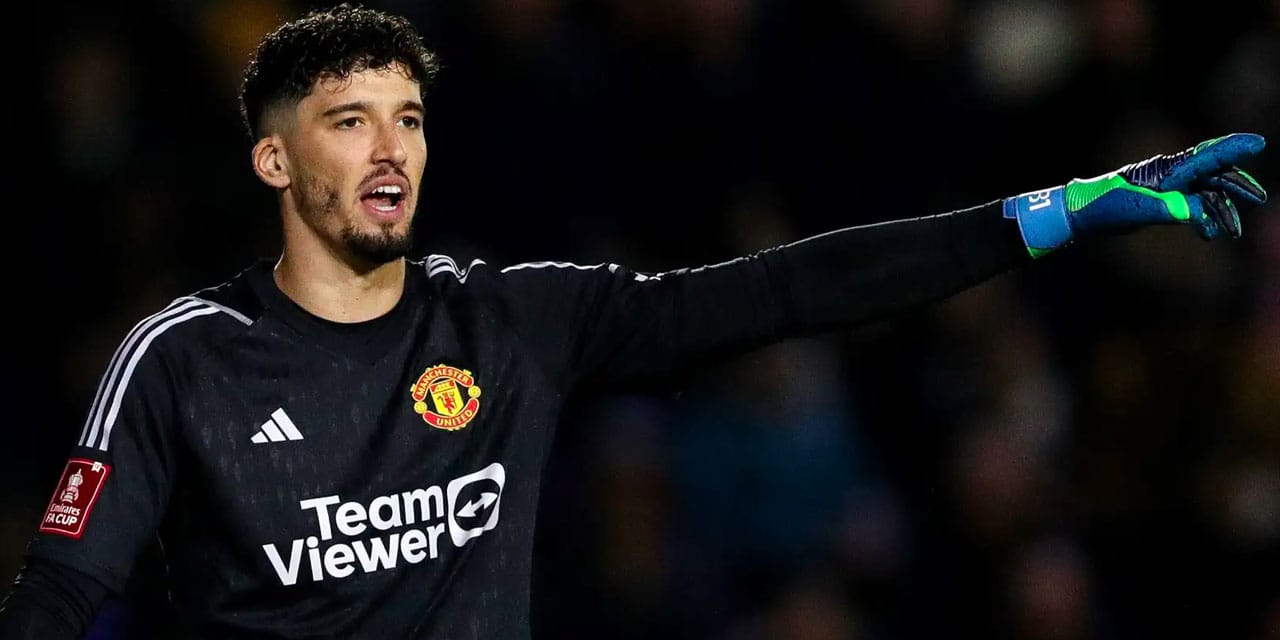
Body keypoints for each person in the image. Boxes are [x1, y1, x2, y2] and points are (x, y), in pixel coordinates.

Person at [0, 3, 1268, 639]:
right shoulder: (181, 360)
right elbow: (61, 591)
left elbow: (786, 290)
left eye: (409, 120)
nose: (390, 151)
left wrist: (1056, 210)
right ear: (274, 161)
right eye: (349, 123)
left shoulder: (510, 321)